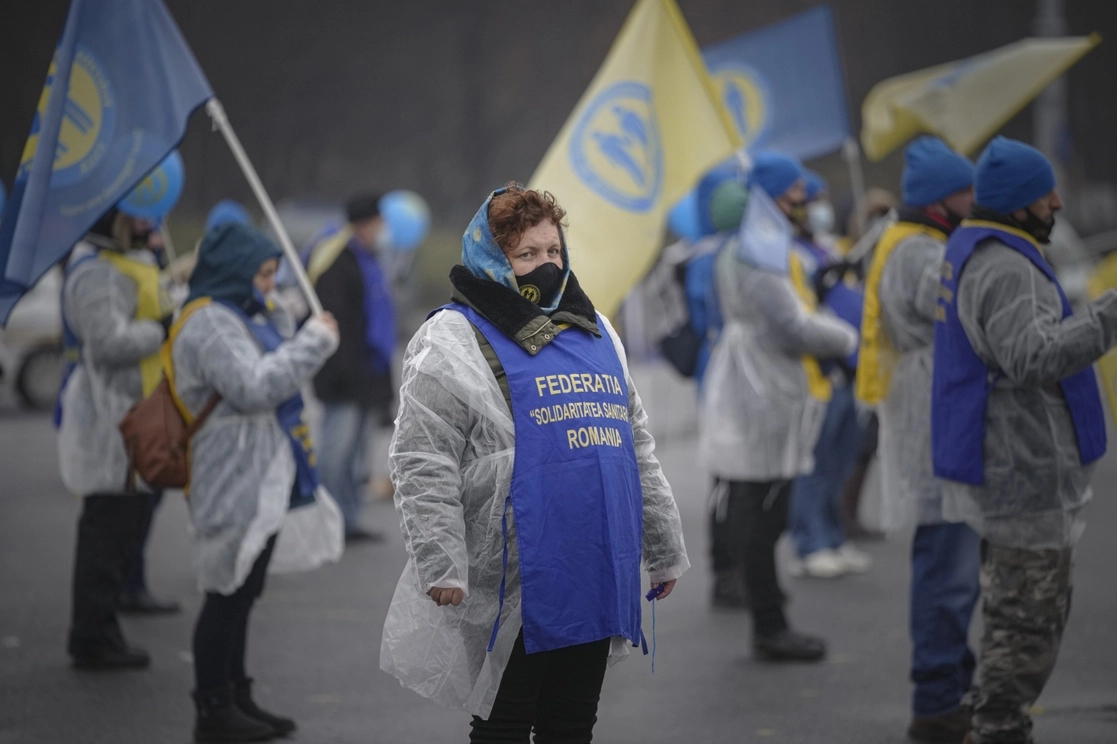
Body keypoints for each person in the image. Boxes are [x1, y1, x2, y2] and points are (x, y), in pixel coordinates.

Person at [381, 183, 689, 742]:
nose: (546, 266)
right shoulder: (454, 336)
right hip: (516, 573)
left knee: (572, 723)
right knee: (505, 720)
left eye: (553, 252)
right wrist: (441, 559)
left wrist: (662, 546)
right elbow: (423, 455)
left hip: (596, 562)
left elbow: (633, 444)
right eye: (526, 255)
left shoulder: (594, 328)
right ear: (492, 259)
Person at [932, 137, 1117, 744]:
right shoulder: (1007, 267)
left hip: (1014, 463)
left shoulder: (983, 252)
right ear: (1016, 205)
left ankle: (995, 722)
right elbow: (1033, 357)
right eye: (1045, 196)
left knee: (1018, 614)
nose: (1058, 203)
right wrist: (1108, 315)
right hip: (1023, 467)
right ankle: (997, 730)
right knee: (1026, 623)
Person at [168, 221, 342, 742]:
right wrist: (314, 343)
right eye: (263, 275)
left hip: (259, 471)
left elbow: (271, 363)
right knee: (226, 592)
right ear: (235, 271)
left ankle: (238, 695)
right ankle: (212, 709)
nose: (268, 285)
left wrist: (294, 325)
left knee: (244, 592)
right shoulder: (209, 323)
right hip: (228, 476)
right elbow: (253, 385)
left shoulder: (238, 314)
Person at [698, 152, 858, 661]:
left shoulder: (752, 245)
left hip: (756, 380)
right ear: (770, 198)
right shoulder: (757, 252)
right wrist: (847, 338)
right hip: (762, 385)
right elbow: (790, 324)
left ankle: (768, 613)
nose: (805, 204)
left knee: (761, 500)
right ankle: (769, 623)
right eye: (795, 196)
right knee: (763, 505)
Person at [858, 136, 980, 743]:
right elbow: (966, 317)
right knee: (947, 563)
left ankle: (953, 683)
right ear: (940, 199)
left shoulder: (917, 241)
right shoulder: (921, 252)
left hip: (931, 410)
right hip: (935, 415)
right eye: (967, 189)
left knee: (948, 558)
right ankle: (938, 699)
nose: (976, 199)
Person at [58, 188, 179, 669]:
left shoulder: (115, 264)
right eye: (137, 217)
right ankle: (92, 636)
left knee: (117, 530)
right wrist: (160, 328)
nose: (147, 225)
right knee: (103, 534)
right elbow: (108, 342)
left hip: (127, 417)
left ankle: (100, 627)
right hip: (108, 423)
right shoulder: (94, 273)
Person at [787, 169, 872, 579]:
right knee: (815, 462)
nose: (818, 207)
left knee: (841, 457)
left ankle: (834, 536)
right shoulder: (791, 252)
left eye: (821, 197)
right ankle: (810, 542)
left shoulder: (829, 247)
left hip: (848, 369)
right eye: (810, 198)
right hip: (819, 372)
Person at [307, 194, 396, 541]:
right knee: (336, 451)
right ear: (366, 224)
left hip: (364, 373)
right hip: (344, 376)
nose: (383, 230)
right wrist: (346, 371)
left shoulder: (367, 258)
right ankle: (328, 520)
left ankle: (347, 519)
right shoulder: (338, 261)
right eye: (379, 223)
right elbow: (336, 320)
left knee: (354, 453)